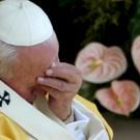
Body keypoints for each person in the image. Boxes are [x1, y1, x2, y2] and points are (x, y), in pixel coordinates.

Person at [0, 0, 113, 140]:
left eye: (56, 61)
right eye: (32, 87)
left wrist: (64, 114)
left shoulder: (55, 91)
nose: (47, 90)